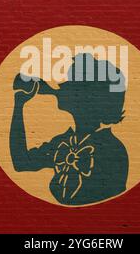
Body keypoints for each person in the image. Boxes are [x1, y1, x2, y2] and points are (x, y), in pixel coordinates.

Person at [10, 54, 129, 205]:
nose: (62, 85)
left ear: (89, 97)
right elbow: (21, 163)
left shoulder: (112, 150)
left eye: (71, 82)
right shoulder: (64, 141)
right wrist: (19, 105)